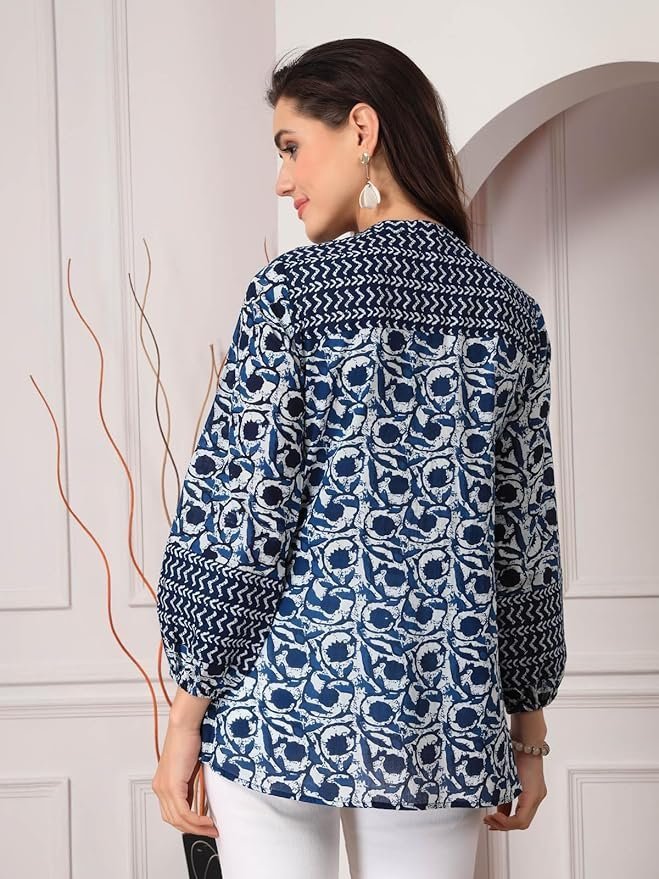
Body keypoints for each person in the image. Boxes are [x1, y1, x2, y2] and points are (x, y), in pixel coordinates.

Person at [151, 37, 567, 879]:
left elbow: (241, 521)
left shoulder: (290, 297)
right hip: (440, 720)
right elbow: (523, 547)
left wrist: (186, 712)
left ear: (362, 129)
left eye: (291, 146)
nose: (282, 180)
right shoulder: (511, 318)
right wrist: (527, 731)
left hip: (279, 710)